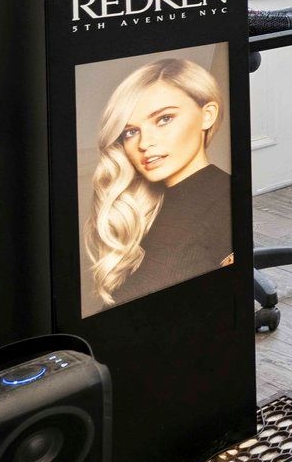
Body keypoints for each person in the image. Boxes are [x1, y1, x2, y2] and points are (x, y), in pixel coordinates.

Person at [84, 57, 233, 309]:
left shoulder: (217, 204)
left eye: (164, 119)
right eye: (130, 132)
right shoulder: (144, 204)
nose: (144, 143)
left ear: (207, 115)